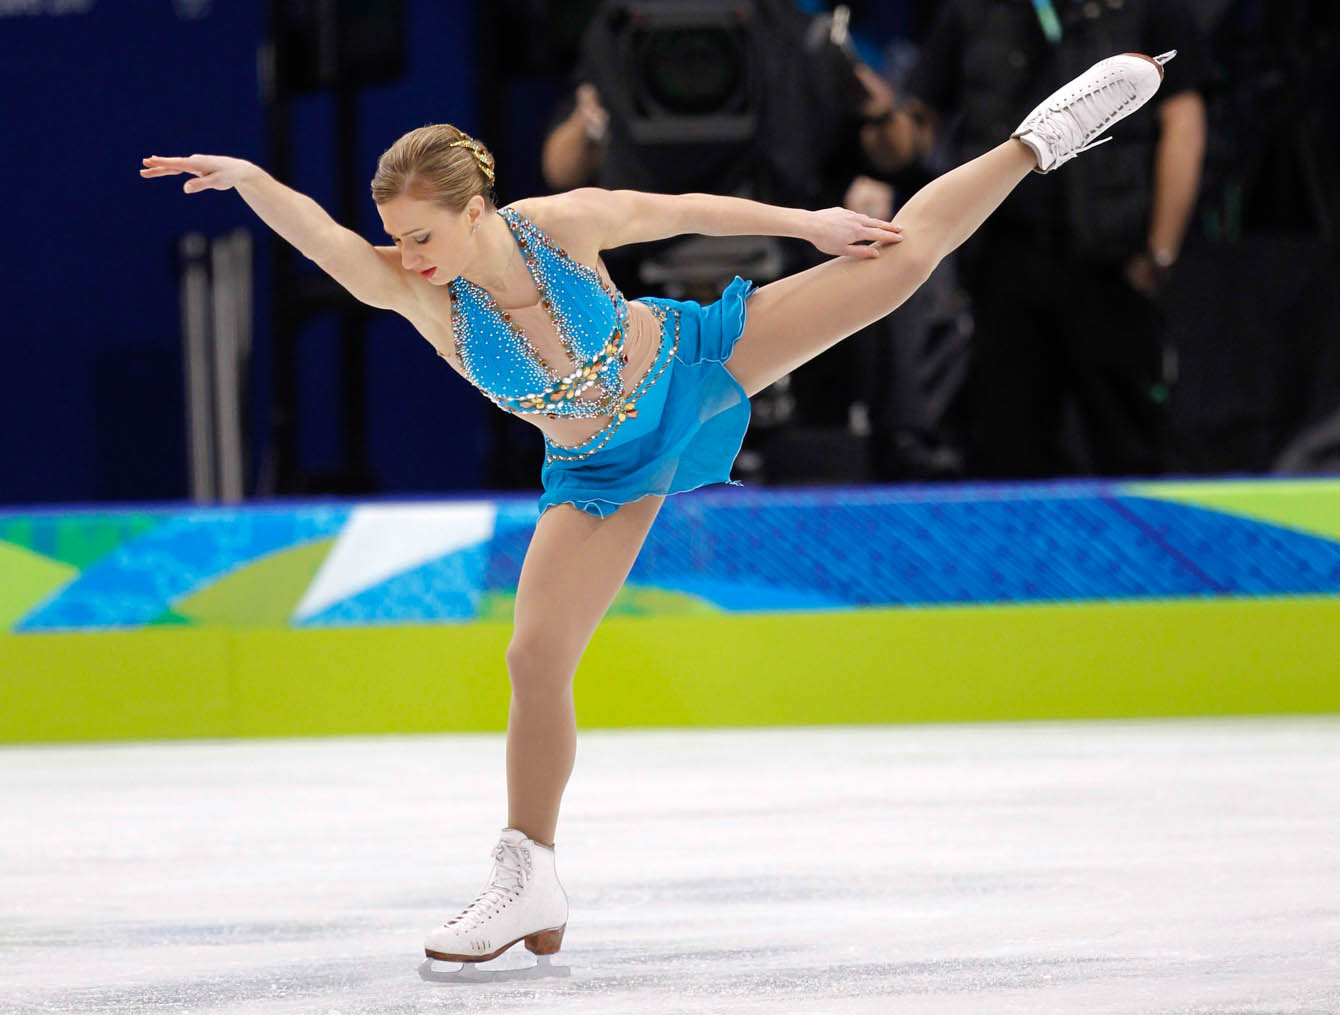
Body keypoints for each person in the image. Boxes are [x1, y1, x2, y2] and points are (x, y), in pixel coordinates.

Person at [142, 50, 1175, 967]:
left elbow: (680, 206)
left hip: (692, 365)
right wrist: (246, 179)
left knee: (896, 261)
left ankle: (1037, 140)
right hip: (600, 474)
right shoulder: (417, 294)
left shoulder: (553, 227)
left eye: (420, 234)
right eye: (396, 238)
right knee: (531, 657)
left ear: (472, 212)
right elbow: (320, 238)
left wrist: (805, 224)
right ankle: (529, 867)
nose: (405, 255)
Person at [861, 0, 1209, 479]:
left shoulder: (1148, 10)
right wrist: (878, 115)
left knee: (1129, 444)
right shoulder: (970, 13)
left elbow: (1183, 126)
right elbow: (912, 136)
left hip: (1114, 265)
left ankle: (1142, 549)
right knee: (1005, 447)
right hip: (1004, 261)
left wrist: (1160, 250)